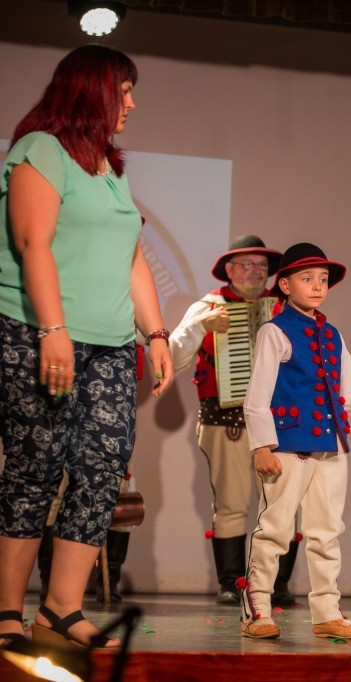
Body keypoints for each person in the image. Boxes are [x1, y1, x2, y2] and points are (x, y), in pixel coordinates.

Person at [0, 45, 173, 650]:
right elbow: (33, 243)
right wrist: (53, 331)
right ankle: (6, 611)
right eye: (123, 91)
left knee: (101, 469)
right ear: (90, 90)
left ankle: (61, 609)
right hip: (38, 333)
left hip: (110, 346)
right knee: (35, 468)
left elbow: (132, 259)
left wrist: (155, 334)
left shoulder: (110, 167)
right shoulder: (41, 150)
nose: (132, 103)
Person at [238, 243, 351, 640]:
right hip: (288, 446)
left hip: (330, 446)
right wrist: (261, 445)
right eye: (307, 278)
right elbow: (257, 395)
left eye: (323, 279)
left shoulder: (332, 334)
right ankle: (257, 607)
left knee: (326, 531)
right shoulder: (275, 331)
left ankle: (326, 611)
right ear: (285, 285)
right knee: (275, 529)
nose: (317, 285)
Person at [168, 235, 302, 606]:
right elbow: (173, 359)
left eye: (261, 265)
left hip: (279, 424)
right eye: (246, 264)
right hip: (225, 421)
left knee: (281, 504)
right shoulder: (207, 306)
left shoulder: (284, 306)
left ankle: (277, 585)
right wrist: (201, 327)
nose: (255, 272)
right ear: (229, 269)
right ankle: (231, 582)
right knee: (230, 503)